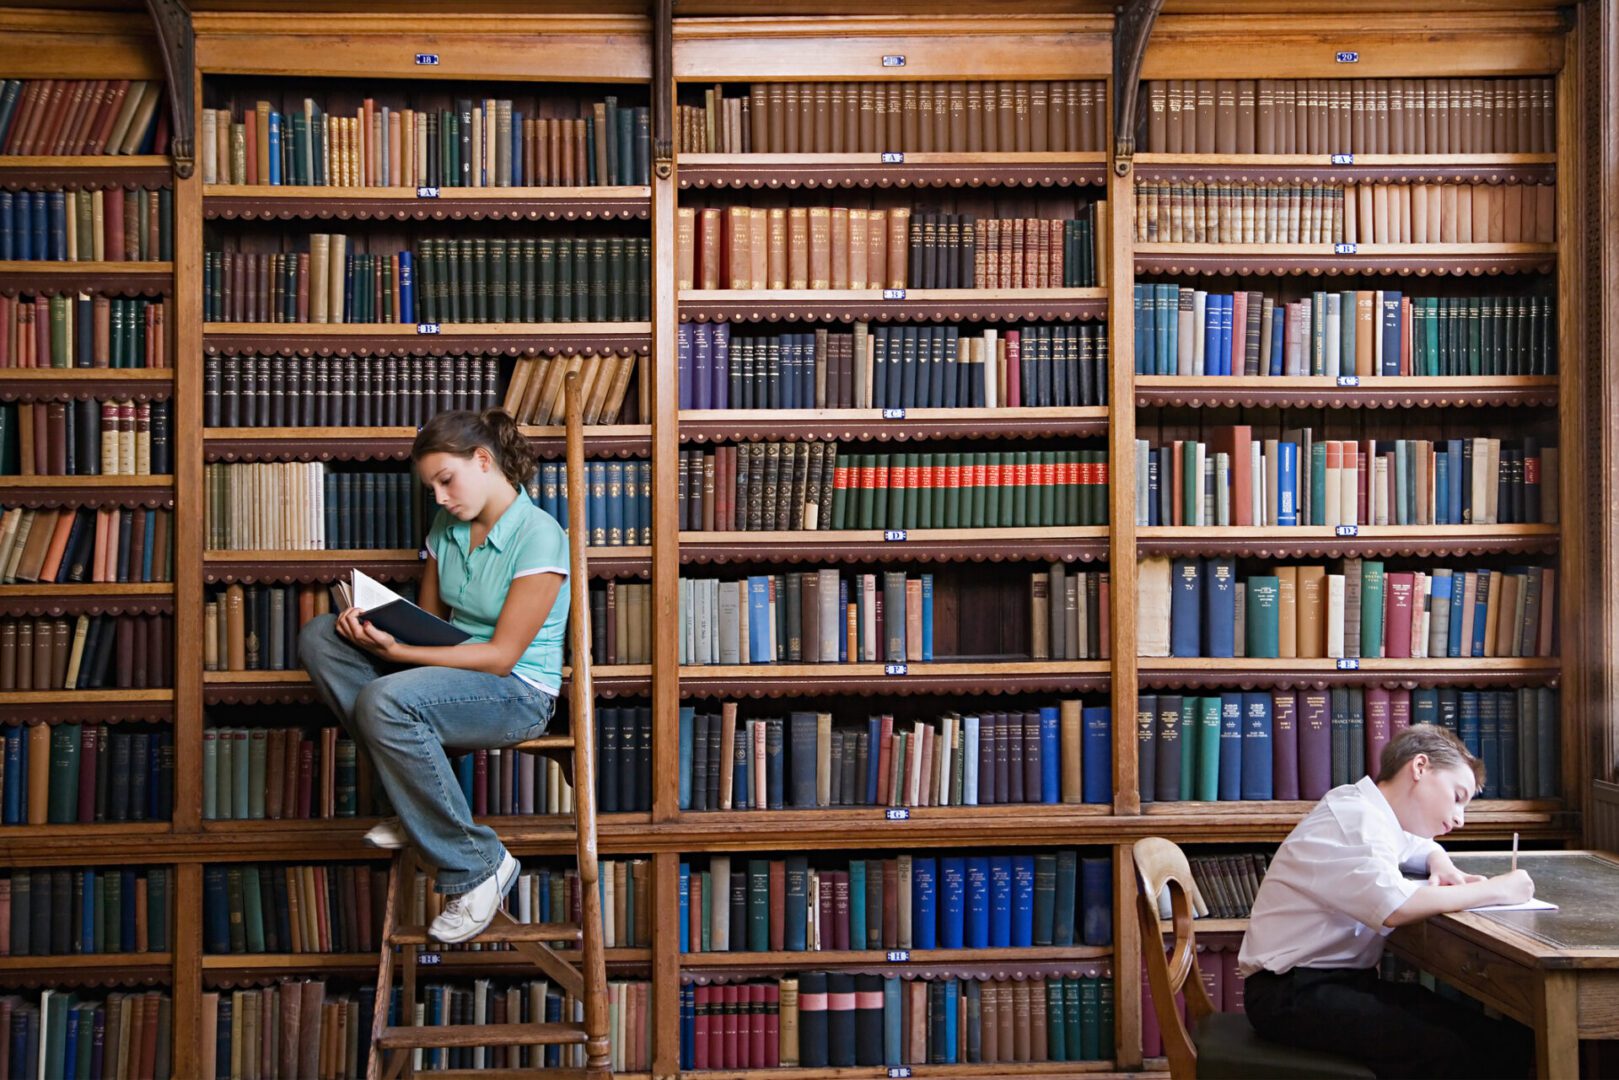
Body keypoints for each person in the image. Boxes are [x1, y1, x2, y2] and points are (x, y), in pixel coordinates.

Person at [299, 408, 568, 945]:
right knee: (321, 636)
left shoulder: (540, 535)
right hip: (449, 675)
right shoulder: (447, 527)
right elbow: (428, 626)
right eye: (432, 488)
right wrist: (377, 633)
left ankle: (479, 864)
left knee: (385, 700)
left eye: (447, 480)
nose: (441, 498)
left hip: (517, 692)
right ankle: (417, 802)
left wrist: (398, 654)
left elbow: (501, 657)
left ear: (484, 461)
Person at [1238, 723, 1534, 1079]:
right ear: (1420, 768)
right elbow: (1395, 908)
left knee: (1497, 1039)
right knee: (1443, 1051)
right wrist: (1501, 889)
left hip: (1336, 983)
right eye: (1457, 797)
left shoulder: (1372, 810)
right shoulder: (1355, 818)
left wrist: (1441, 862)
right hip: (1290, 994)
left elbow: (1418, 846)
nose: (1459, 818)